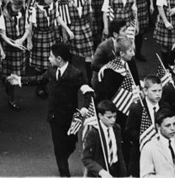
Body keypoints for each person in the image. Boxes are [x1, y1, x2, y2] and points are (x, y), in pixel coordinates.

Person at [45, 42, 88, 178]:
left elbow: (87, 91)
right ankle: (64, 172)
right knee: (58, 146)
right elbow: (40, 79)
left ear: (59, 59)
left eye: (51, 56)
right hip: (54, 116)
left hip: (71, 117)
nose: (49, 59)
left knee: (71, 143)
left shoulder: (75, 73)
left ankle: (62, 158)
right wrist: (21, 80)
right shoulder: (51, 71)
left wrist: (85, 107)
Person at [140, 108, 175, 178]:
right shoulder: (149, 147)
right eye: (168, 125)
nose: (173, 128)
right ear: (158, 127)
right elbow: (145, 176)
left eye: (174, 124)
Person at [81, 100, 127, 178]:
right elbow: (86, 158)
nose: (113, 120)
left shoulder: (117, 128)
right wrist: (101, 171)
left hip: (115, 170)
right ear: (100, 116)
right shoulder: (93, 132)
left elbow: (119, 152)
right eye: (109, 117)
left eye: (115, 116)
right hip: (100, 172)